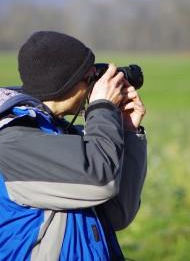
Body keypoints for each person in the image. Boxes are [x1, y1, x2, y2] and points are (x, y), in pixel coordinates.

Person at [0, 31, 147, 261]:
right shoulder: (13, 143)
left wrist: (128, 130)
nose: (94, 86)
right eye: (90, 78)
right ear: (64, 84)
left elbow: (118, 214)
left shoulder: (58, 133)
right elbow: (101, 180)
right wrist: (102, 107)